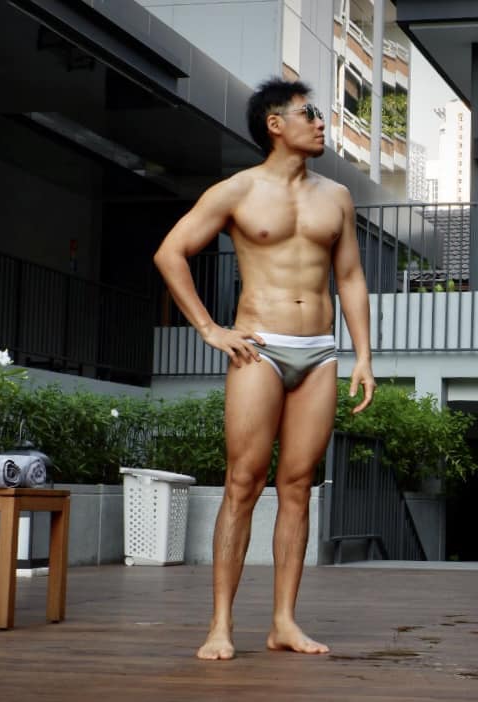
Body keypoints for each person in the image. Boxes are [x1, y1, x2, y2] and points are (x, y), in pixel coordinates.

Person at [153, 77, 375, 660]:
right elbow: (170, 253)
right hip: (260, 347)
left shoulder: (336, 197)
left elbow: (350, 276)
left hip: (320, 351)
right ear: (276, 125)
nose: (322, 123)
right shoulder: (237, 190)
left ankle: (283, 623)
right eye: (310, 113)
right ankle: (221, 625)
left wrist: (364, 356)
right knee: (243, 482)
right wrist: (210, 329)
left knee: (297, 487)